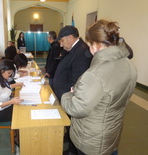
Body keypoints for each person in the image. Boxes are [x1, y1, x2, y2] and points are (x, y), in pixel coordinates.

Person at [61, 20, 137, 155]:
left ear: (95, 45)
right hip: (111, 134)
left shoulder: (94, 74)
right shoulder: (129, 65)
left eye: (89, 45)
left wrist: (68, 95)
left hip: (91, 140)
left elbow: (77, 109)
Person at [53, 26, 93, 102]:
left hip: (69, 98)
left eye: (62, 41)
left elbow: (78, 81)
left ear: (70, 38)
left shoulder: (81, 52)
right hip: (64, 96)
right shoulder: (73, 49)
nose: (61, 45)